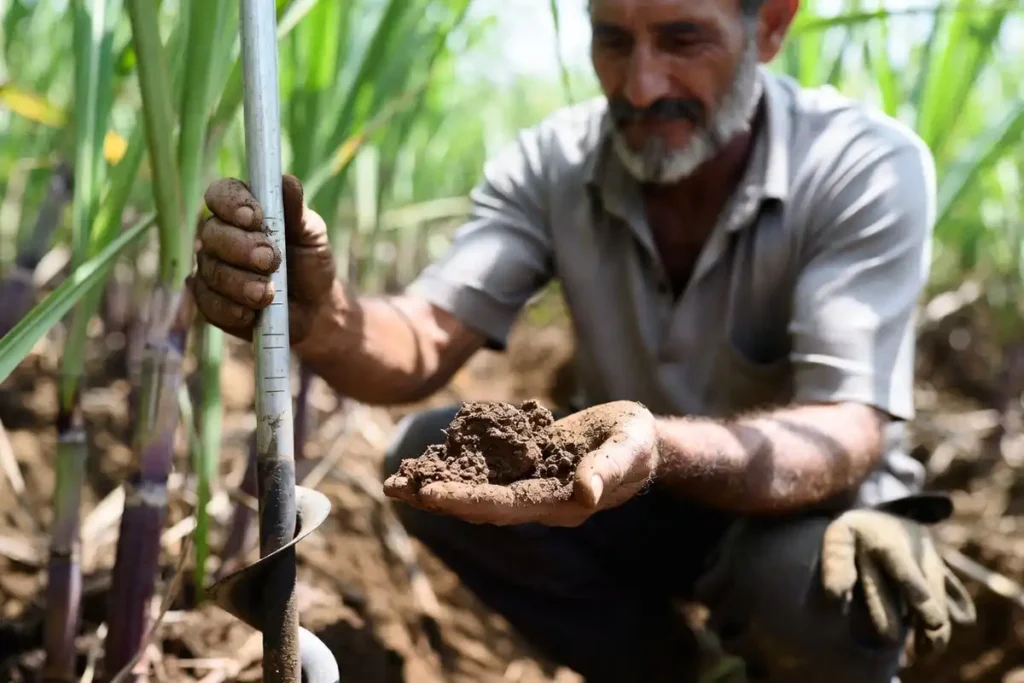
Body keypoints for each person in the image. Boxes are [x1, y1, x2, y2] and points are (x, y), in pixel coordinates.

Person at [189, 0, 976, 680]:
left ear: (768, 26)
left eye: (683, 40)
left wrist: (657, 448)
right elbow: (425, 332)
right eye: (612, 40)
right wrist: (322, 317)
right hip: (625, 494)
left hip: (800, 511)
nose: (640, 86)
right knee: (427, 453)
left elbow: (844, 426)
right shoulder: (555, 164)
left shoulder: (859, 163)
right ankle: (683, 674)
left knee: (817, 592)